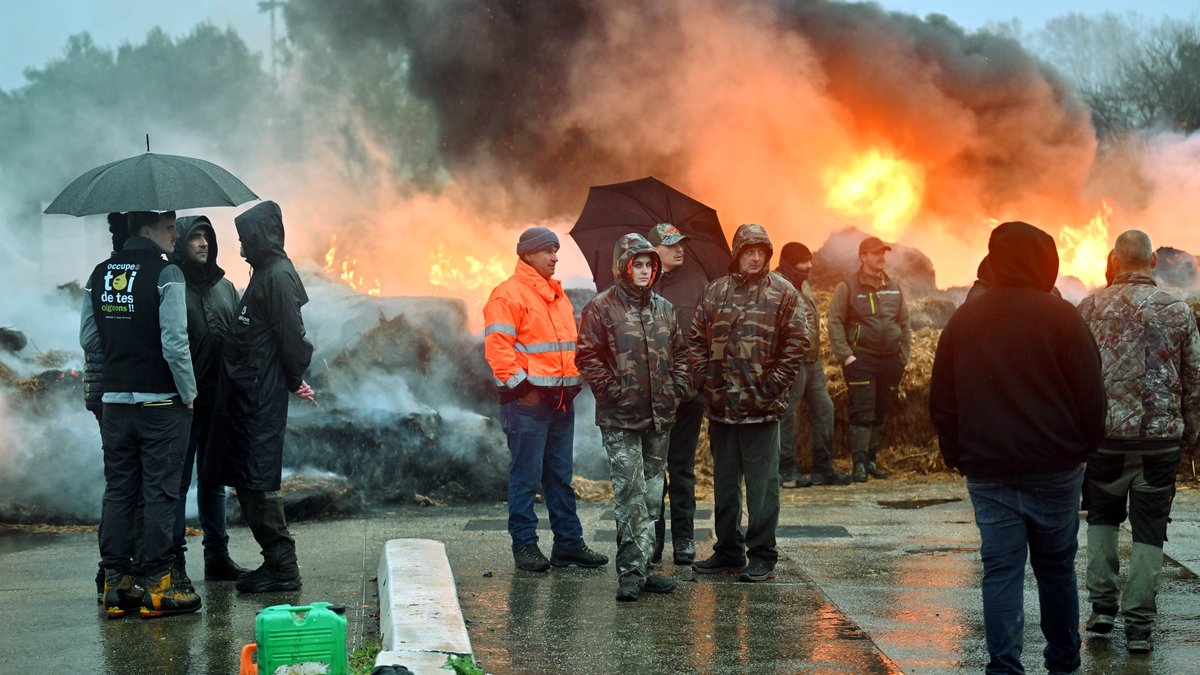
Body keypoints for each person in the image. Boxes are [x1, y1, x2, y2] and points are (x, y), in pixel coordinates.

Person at [929, 221, 1106, 675]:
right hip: (1056, 468)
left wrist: (957, 454)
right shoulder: (1063, 317)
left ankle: (1004, 667)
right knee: (1057, 570)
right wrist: (1084, 449)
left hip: (989, 471)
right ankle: (1064, 662)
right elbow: (1092, 395)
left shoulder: (965, 319)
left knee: (1001, 571)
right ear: (1046, 261)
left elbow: (941, 398)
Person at [1077, 230, 1200, 654]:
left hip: (1104, 441)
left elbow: (1075, 377)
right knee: (1150, 533)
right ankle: (1140, 626)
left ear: (1113, 260)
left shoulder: (1089, 308)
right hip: (1160, 443)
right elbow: (1196, 377)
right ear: (1152, 263)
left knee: (1101, 521)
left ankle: (1102, 608)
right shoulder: (1179, 309)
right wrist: (1192, 434)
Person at [81, 210, 201, 618]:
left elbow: (88, 337)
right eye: (170, 226)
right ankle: (158, 587)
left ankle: (116, 587)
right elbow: (174, 343)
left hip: (115, 403)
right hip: (161, 404)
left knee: (119, 491)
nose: (177, 233)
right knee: (160, 495)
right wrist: (189, 393)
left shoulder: (99, 273)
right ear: (146, 229)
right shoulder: (167, 274)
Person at [203, 201, 315, 593]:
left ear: (260, 236)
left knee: (258, 480)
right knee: (248, 479)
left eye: (244, 239)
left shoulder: (278, 276)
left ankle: (283, 567)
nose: (239, 249)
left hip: (259, 399)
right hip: (247, 395)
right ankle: (275, 563)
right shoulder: (266, 273)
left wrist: (292, 376)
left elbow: (292, 337)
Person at [483, 226, 608, 572]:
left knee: (559, 477)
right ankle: (525, 544)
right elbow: (497, 350)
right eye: (548, 251)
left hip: (559, 403)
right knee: (525, 477)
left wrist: (572, 382)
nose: (555, 257)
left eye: (556, 251)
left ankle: (568, 543)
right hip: (527, 406)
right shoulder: (506, 295)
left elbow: (566, 348)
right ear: (527, 254)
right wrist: (523, 390)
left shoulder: (556, 295)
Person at [689, 223, 808, 583]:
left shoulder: (783, 294)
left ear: (768, 255)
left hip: (761, 409)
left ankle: (762, 554)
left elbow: (798, 343)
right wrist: (705, 381)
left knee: (762, 486)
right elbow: (695, 338)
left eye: (761, 252)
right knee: (725, 484)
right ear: (737, 254)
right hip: (722, 408)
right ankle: (727, 550)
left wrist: (771, 387)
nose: (755, 258)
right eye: (748, 251)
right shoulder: (715, 292)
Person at [577, 233, 689, 601]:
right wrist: (613, 392)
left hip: (659, 418)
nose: (643, 271)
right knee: (630, 494)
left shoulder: (665, 309)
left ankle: (646, 567)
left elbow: (683, 354)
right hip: (621, 420)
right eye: (636, 265)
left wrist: (677, 389)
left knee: (654, 495)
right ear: (623, 266)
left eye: (648, 265)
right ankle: (629, 572)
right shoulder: (601, 307)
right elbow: (587, 357)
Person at [170, 216, 248, 586]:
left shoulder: (225, 287)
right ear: (180, 243)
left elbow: (239, 338)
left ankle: (218, 557)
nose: (202, 244)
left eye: (206, 237)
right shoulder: (171, 285)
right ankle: (175, 564)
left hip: (219, 400)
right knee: (178, 483)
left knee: (214, 480)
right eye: (194, 238)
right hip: (183, 402)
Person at [647, 222, 708, 565]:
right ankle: (653, 540)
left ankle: (684, 539)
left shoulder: (698, 283)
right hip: (652, 400)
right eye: (670, 244)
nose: (679, 249)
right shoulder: (640, 284)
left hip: (687, 398)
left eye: (681, 243)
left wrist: (696, 384)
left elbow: (707, 337)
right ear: (652, 249)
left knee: (681, 469)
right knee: (652, 471)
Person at [828, 235, 911, 482]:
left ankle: (872, 460)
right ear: (863, 257)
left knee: (881, 409)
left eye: (884, 253)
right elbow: (834, 321)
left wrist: (903, 356)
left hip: (890, 360)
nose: (882, 258)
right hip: (861, 358)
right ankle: (860, 464)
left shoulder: (894, 286)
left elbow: (904, 323)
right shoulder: (848, 287)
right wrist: (846, 356)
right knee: (863, 410)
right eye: (876, 253)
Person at [776, 242, 851, 487]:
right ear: (789, 263)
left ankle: (822, 468)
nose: (810, 265)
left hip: (812, 360)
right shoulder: (775, 286)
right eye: (803, 261)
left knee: (825, 409)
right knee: (788, 414)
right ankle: (785, 470)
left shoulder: (803, 284)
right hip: (792, 361)